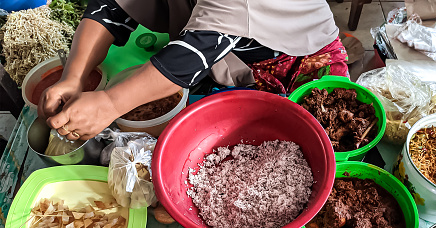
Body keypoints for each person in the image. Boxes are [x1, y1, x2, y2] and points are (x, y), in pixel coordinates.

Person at [37, 0, 348, 140]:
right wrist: (73, 77)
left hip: (301, 60)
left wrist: (109, 105)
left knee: (313, 139)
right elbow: (110, 8)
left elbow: (191, 56)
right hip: (239, 54)